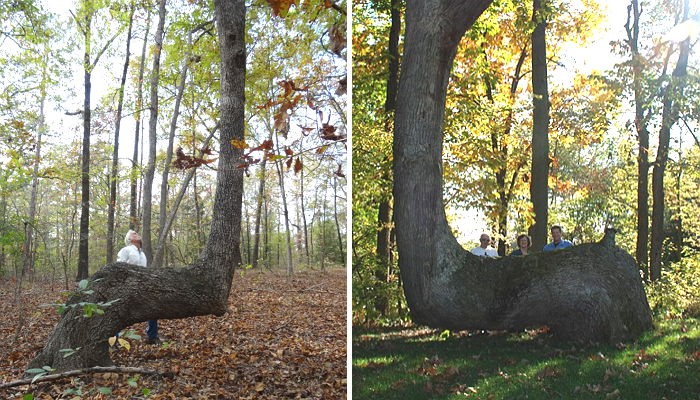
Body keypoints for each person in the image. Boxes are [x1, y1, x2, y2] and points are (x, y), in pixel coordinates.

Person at [117, 230, 161, 344]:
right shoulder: (126, 250)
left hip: (142, 287)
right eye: (134, 234)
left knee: (153, 309)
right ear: (130, 240)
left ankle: (152, 336)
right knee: (117, 313)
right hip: (127, 287)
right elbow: (118, 268)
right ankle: (114, 340)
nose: (137, 234)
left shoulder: (142, 254)